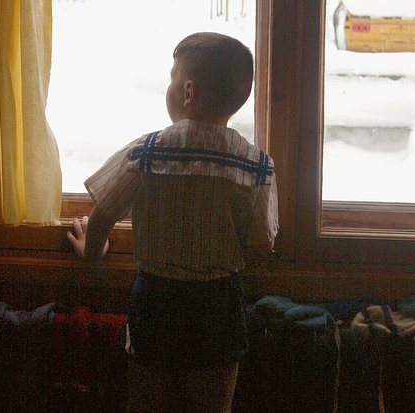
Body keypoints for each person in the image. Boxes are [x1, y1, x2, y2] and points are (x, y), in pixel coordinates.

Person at [67, 32, 279, 413]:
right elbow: (262, 242)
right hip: (218, 306)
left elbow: (103, 215)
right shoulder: (255, 165)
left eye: (171, 77)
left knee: (147, 400)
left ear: (188, 92)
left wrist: (92, 252)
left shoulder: (146, 152)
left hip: (156, 301)